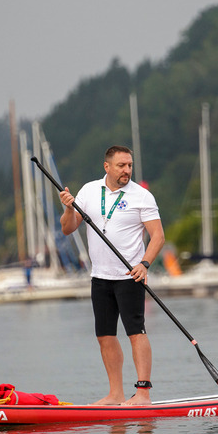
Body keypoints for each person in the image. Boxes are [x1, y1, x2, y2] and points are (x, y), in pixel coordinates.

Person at [60, 145, 165, 406]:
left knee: (135, 332)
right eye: (121, 166)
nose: (127, 170)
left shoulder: (142, 196)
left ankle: (143, 394)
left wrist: (145, 264)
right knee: (105, 335)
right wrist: (69, 209)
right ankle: (115, 393)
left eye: (129, 165)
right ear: (107, 167)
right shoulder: (89, 191)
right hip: (100, 277)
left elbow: (158, 237)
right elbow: (68, 229)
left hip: (130, 276)